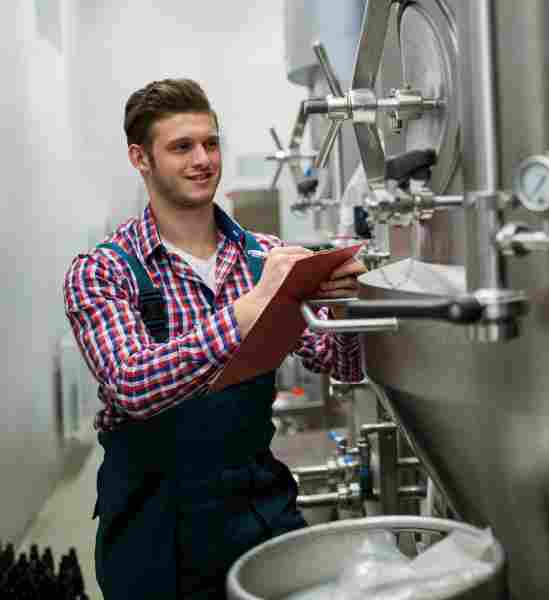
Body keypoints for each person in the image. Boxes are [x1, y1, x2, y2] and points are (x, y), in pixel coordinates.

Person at [63, 78, 365, 600]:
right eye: (182, 147)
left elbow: (341, 366)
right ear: (141, 158)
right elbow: (132, 383)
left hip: (259, 502)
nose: (203, 159)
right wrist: (246, 312)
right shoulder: (103, 272)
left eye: (211, 142)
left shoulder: (263, 257)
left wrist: (343, 304)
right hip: (155, 524)